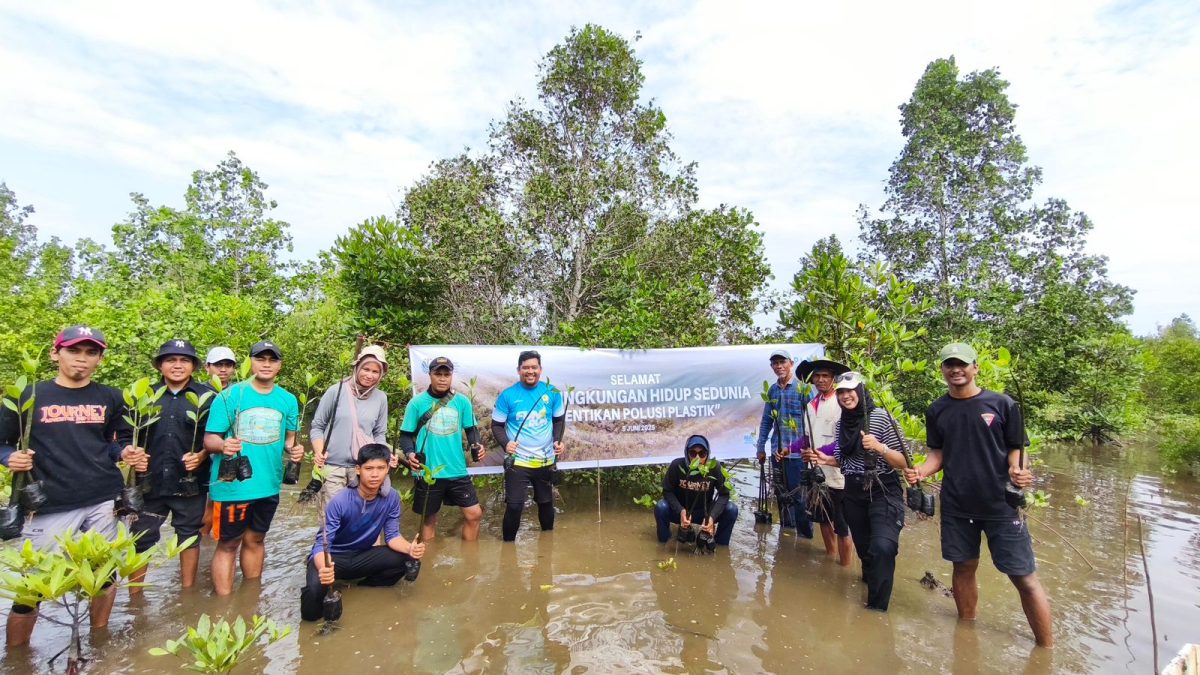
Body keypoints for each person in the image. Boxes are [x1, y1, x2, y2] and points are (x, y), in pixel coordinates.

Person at [0, 325, 144, 646]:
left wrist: (124, 451)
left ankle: (98, 642)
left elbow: (111, 443)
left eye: (90, 352)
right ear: (56, 353)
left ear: (100, 359)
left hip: (103, 498)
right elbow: (2, 443)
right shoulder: (26, 396)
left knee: (104, 577)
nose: (82, 359)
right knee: (32, 588)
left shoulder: (112, 397)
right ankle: (17, 659)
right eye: (73, 351)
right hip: (48, 503)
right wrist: (10, 458)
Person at [904, 343, 1053, 647]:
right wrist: (921, 471)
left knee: (1024, 577)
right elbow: (938, 455)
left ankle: (1046, 649)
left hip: (1002, 504)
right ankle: (966, 633)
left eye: (962, 364)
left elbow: (1017, 450)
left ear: (976, 368)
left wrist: (1018, 470)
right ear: (942, 370)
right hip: (958, 504)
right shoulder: (937, 409)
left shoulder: (1002, 404)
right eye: (949, 365)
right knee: (963, 567)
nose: (955, 369)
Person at [203, 340, 303, 596]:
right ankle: (223, 605)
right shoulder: (230, 396)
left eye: (272, 360)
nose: (266, 364)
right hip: (233, 486)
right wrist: (223, 445)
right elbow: (210, 438)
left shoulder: (288, 400)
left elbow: (289, 440)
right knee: (228, 543)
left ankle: (250, 599)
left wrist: (296, 450)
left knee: (255, 539)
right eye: (261, 359)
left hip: (268, 484)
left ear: (279, 366)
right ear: (251, 362)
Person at [803, 371, 908, 611]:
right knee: (866, 551)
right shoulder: (842, 424)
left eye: (850, 391)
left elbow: (904, 461)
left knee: (882, 546)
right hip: (853, 491)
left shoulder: (882, 418)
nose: (845, 396)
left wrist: (880, 447)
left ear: (860, 391)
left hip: (882, 488)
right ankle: (872, 584)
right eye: (841, 392)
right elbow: (845, 462)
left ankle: (876, 610)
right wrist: (825, 459)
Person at [301, 443, 426, 622]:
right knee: (312, 604)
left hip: (363, 555)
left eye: (380, 468)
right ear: (358, 470)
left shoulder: (392, 497)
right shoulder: (341, 500)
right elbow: (322, 545)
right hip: (334, 557)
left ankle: (365, 586)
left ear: (388, 469)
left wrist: (411, 549)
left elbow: (392, 536)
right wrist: (324, 568)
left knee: (407, 558)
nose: (375, 474)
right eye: (369, 468)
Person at [128, 339, 213, 591]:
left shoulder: (207, 397)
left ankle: (187, 593)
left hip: (189, 482)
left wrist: (202, 454)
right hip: (149, 482)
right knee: (141, 539)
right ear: (160, 365)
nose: (177, 365)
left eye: (184, 360)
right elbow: (124, 435)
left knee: (189, 537)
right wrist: (132, 452)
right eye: (170, 360)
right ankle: (135, 598)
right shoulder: (143, 396)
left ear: (194, 366)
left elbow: (219, 435)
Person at [401, 357, 486, 541]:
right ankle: (427, 561)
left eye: (446, 374)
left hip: (456, 470)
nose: (442, 378)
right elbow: (405, 435)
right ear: (430, 375)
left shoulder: (462, 402)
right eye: (437, 374)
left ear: (451, 376)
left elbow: (471, 430)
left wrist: (476, 445)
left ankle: (470, 562)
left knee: (474, 514)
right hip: (428, 472)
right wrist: (410, 454)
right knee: (428, 520)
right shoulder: (417, 403)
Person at [491, 350, 565, 542]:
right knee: (514, 506)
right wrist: (506, 444)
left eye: (534, 367)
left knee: (546, 503)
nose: (530, 371)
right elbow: (497, 425)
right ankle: (507, 548)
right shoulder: (508, 395)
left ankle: (547, 547)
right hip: (518, 462)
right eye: (525, 368)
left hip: (545, 460)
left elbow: (558, 421)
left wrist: (557, 440)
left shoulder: (552, 392)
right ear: (519, 370)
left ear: (540, 370)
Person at [311, 345, 392, 505]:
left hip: (363, 468)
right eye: (366, 369)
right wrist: (319, 451)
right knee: (331, 519)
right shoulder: (336, 390)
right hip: (332, 466)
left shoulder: (381, 398)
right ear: (357, 368)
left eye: (375, 372)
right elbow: (318, 426)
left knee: (359, 518)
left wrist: (385, 458)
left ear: (381, 374)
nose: (369, 375)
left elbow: (379, 434)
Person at [793, 359, 854, 566]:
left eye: (825, 376)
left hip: (838, 475)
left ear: (833, 379)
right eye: (817, 376)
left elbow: (843, 442)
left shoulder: (841, 402)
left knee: (842, 525)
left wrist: (816, 452)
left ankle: (845, 569)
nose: (820, 380)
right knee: (822, 519)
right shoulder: (810, 405)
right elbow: (808, 438)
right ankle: (830, 559)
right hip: (817, 473)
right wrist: (789, 449)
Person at [755, 349, 812, 537]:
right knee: (781, 495)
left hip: (798, 455)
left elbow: (813, 422)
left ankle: (805, 539)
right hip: (777, 454)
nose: (779, 366)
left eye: (782, 362)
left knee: (800, 498)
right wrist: (761, 447)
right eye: (775, 363)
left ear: (791, 363)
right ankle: (787, 538)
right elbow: (766, 421)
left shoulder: (803, 389)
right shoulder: (772, 390)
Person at [655, 435, 739, 549]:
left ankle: (721, 547)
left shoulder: (714, 468)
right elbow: (667, 491)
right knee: (661, 507)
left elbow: (724, 495)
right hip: (682, 512)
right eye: (693, 453)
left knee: (731, 509)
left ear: (707, 454)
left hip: (704, 513)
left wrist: (712, 517)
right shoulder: (677, 465)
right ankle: (664, 544)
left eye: (702, 454)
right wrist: (681, 511)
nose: (697, 458)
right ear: (687, 453)